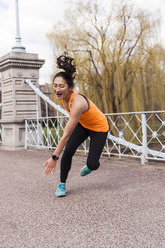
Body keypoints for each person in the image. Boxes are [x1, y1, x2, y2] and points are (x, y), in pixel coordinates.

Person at [43, 53, 109, 197]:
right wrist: (59, 155)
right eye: (55, 86)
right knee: (68, 151)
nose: (57, 89)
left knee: (92, 164)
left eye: (61, 86)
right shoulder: (62, 96)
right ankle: (62, 185)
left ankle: (92, 166)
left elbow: (66, 135)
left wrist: (54, 157)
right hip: (83, 124)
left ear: (70, 87)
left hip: (99, 127)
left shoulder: (77, 102)